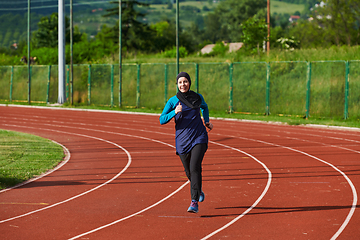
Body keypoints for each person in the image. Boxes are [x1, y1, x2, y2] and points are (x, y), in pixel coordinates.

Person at [159, 72, 213, 213]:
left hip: (199, 137)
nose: (183, 84)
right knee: (189, 171)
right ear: (177, 85)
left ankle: (194, 202)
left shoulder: (197, 97)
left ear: (189, 82)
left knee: (195, 166)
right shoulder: (172, 101)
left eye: (185, 81)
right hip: (182, 141)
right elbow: (161, 120)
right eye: (180, 82)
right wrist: (174, 112)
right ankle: (198, 190)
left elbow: (205, 107)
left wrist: (206, 121)